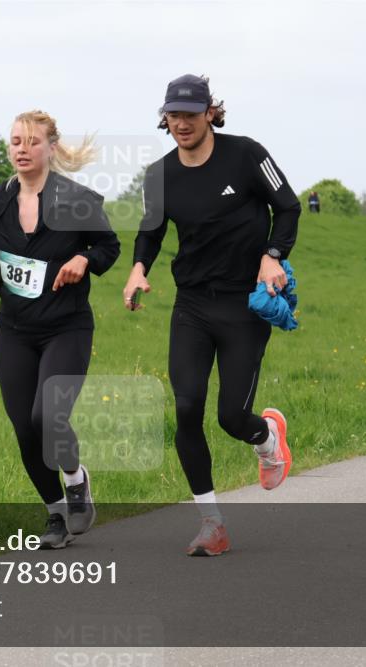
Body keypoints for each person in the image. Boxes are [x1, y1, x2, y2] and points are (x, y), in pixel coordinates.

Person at [122, 74, 300, 556]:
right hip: (193, 304)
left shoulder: (247, 155)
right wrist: (138, 269)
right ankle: (211, 524)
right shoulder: (160, 174)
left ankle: (267, 436)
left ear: (210, 113)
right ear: (165, 118)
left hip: (244, 304)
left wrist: (272, 256)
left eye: (190, 114)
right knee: (186, 408)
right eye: (173, 115)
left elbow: (288, 208)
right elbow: (151, 230)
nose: (181, 123)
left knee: (231, 417)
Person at [0, 110, 120, 549]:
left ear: (51, 148)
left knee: (48, 416)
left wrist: (84, 259)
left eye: (32, 142)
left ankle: (75, 479)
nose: (22, 150)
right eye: (15, 142)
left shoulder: (76, 199)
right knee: (25, 429)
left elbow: (108, 246)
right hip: (14, 330)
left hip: (66, 328)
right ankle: (56, 515)